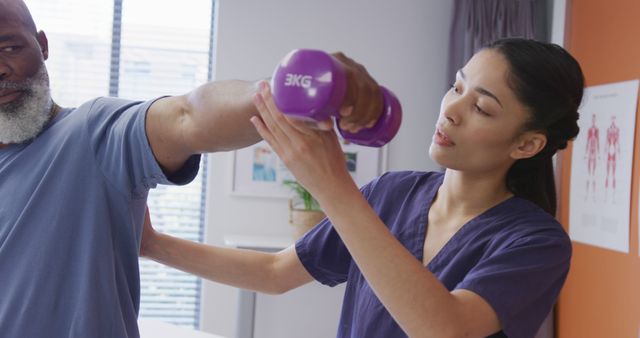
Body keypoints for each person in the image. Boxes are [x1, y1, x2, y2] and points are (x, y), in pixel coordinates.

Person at [141, 37, 585, 338]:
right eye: (456, 87)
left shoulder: (536, 243)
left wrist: (333, 186)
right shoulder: (393, 193)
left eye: (482, 108)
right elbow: (275, 274)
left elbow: (444, 328)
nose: (451, 110)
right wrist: (153, 244)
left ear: (528, 143)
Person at [0, 1, 383, 337]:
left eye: (10, 47)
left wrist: (287, 91)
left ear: (43, 46)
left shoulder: (92, 134)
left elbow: (188, 116)